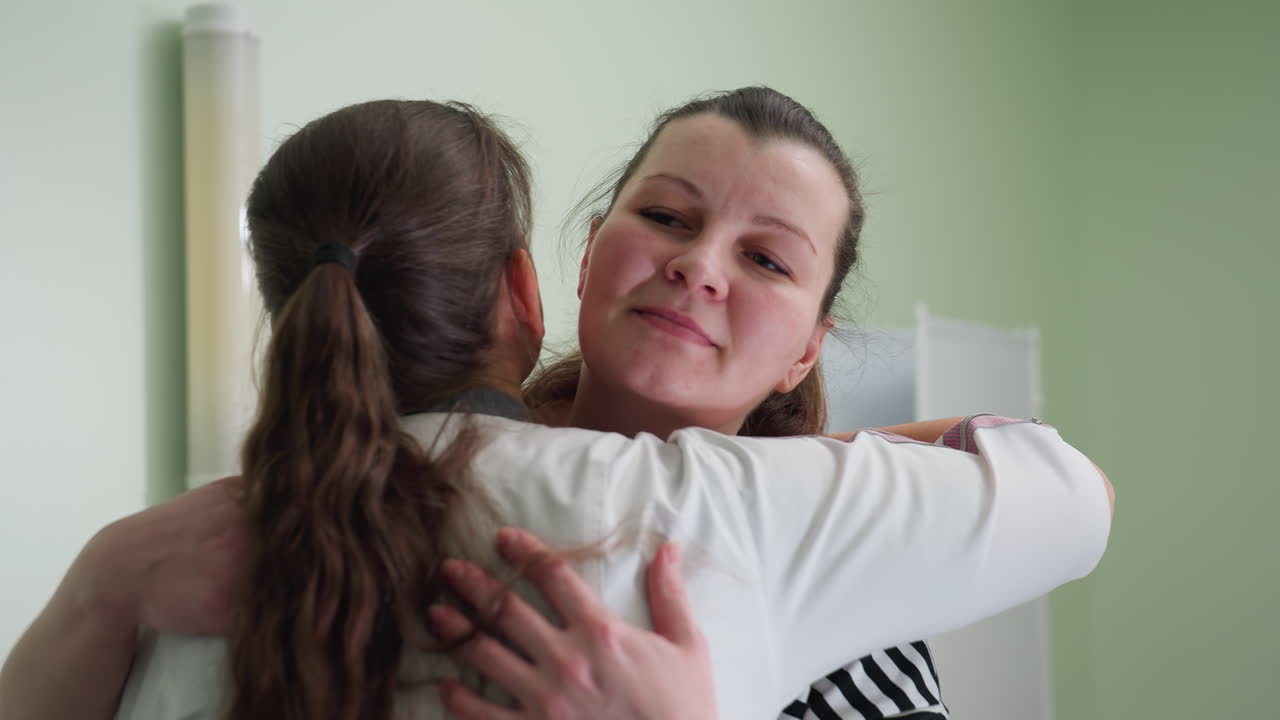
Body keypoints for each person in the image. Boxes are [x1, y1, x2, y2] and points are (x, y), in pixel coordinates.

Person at [0, 98, 1112, 720]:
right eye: (668, 217)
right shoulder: (265, 526)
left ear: (805, 352)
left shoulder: (866, 601)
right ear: (564, 270)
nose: (699, 268)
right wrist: (96, 587)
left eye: (767, 258)